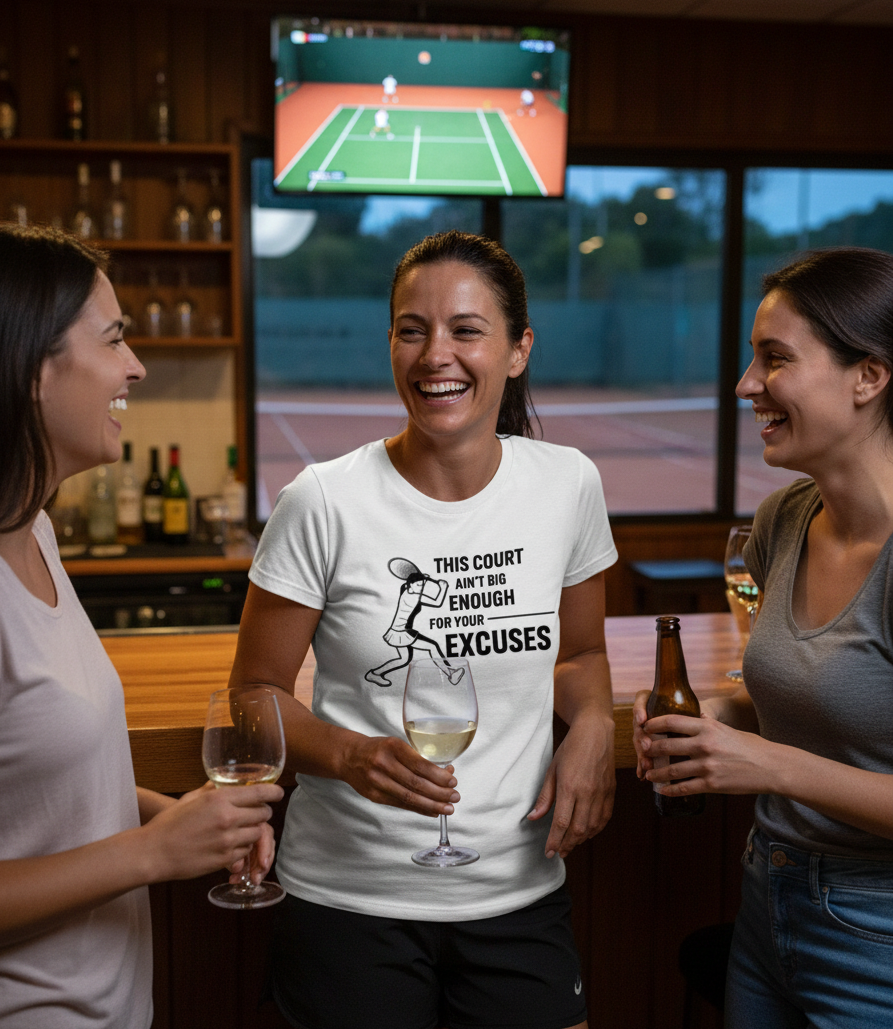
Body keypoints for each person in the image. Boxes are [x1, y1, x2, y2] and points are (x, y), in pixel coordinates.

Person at [231, 230, 619, 1029]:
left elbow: (580, 653)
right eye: (412, 330)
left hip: (517, 889)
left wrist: (593, 725)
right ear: (390, 344)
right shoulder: (322, 500)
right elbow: (253, 693)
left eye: (466, 330)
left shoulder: (569, 484)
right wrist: (348, 754)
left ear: (518, 349)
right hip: (348, 896)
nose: (435, 354)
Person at [0, 224, 283, 1028]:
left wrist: (178, 816)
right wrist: (153, 851)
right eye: (114, 338)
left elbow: (44, 789)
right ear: (33, 366)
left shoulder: (36, 533)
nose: (136, 366)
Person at [633, 247, 893, 1028]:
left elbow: (791, 751)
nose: (745, 384)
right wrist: (712, 719)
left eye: (774, 359)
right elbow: (815, 700)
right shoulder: (784, 518)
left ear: (867, 375)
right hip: (765, 895)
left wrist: (761, 762)